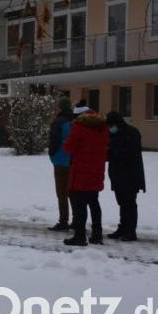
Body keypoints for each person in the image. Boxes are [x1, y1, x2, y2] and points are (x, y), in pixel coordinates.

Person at [63, 109, 110, 246]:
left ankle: (80, 236)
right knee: (94, 203)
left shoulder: (79, 128)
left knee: (79, 206)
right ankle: (97, 234)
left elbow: (68, 147)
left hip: (81, 171)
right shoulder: (103, 130)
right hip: (96, 172)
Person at [106, 111, 146, 242]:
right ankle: (123, 228)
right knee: (122, 203)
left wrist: (113, 152)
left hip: (130, 175)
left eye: (111, 125)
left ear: (117, 123)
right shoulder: (114, 134)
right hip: (118, 174)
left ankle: (131, 231)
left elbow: (131, 153)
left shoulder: (132, 133)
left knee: (129, 203)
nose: (110, 128)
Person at [47, 97, 73, 231]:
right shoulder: (75, 120)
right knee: (74, 192)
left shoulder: (58, 122)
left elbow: (54, 141)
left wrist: (52, 154)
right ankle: (77, 220)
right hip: (74, 161)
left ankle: (63, 221)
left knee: (62, 193)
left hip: (61, 160)